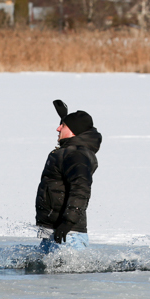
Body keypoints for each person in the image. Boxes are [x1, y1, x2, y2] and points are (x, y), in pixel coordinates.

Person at [35, 100, 102, 253]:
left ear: (72, 130)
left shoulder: (76, 154)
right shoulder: (69, 151)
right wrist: (65, 118)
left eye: (62, 126)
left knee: (69, 275)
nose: (57, 128)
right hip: (54, 231)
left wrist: (67, 222)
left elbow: (81, 189)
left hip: (68, 235)